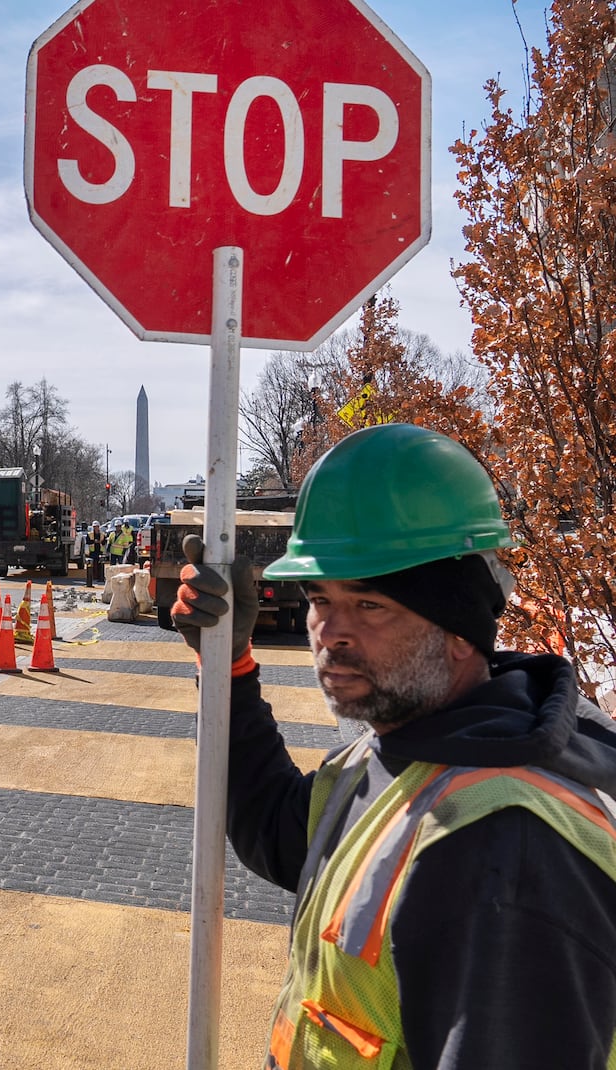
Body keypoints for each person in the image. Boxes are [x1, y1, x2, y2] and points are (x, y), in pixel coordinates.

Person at [170, 423, 616, 1069]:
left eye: (370, 604)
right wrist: (230, 669)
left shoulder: (504, 845)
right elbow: (280, 835)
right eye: (321, 598)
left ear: (461, 630)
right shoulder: (401, 753)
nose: (330, 632)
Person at [85, 522, 106, 587]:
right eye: (94, 527)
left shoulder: (102, 534)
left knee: (100, 565)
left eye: (96, 527)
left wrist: (101, 542)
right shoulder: (90, 534)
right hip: (92, 552)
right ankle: (93, 577)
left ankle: (100, 577)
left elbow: (104, 542)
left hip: (100, 551)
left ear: (98, 527)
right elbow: (87, 541)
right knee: (93, 565)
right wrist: (94, 541)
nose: (95, 528)